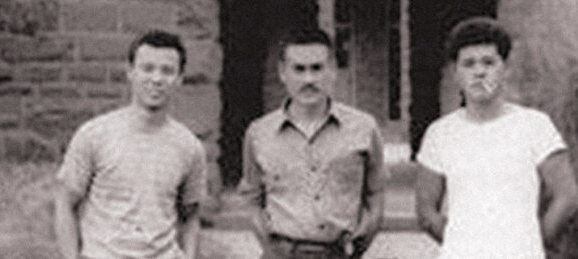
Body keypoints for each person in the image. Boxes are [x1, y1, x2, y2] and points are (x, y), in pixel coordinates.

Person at [415, 17, 578, 258]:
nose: (479, 72)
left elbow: (568, 197)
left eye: (488, 62)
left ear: (506, 69)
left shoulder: (535, 126)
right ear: (456, 73)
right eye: (468, 64)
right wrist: (461, 243)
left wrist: (532, 242)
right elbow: (425, 212)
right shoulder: (440, 134)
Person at [54, 30, 206, 259]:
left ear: (179, 79)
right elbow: (65, 202)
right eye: (147, 68)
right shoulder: (94, 135)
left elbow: (191, 216)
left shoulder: (189, 147)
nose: (156, 79)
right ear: (130, 72)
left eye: (167, 71)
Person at [238, 28, 387, 259]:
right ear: (282, 72)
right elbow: (252, 198)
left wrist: (359, 245)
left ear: (333, 70)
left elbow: (375, 194)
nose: (308, 79)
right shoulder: (259, 133)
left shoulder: (364, 128)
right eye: (299, 69)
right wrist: (270, 247)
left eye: (317, 68)